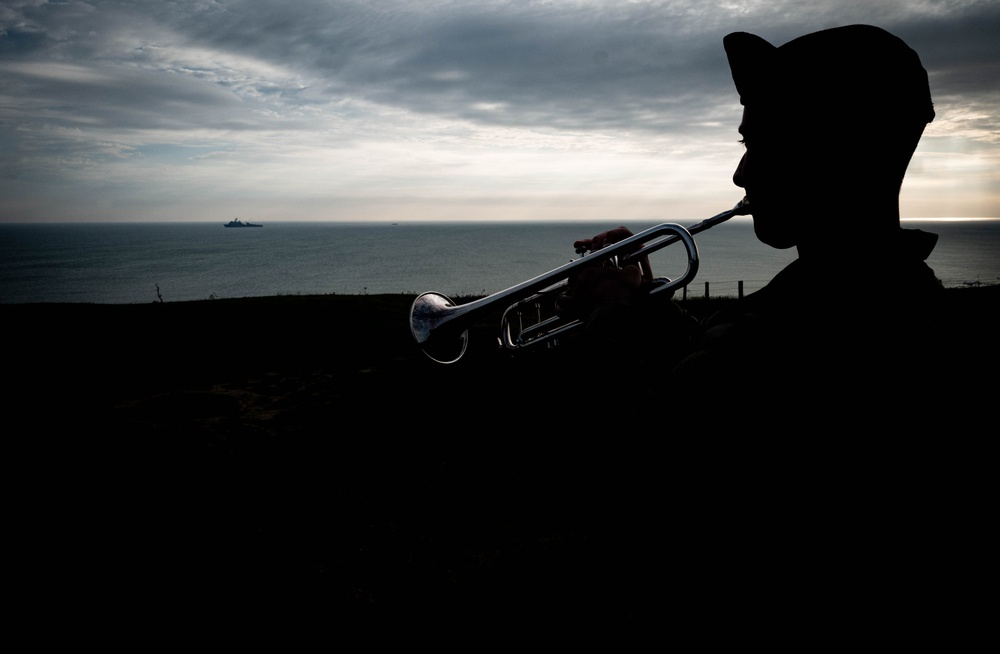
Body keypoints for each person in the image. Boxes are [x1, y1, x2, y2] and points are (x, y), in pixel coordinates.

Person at [565, 24, 947, 420]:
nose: (739, 174)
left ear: (826, 152)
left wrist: (606, 318)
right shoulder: (892, 292)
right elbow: (708, 353)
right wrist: (645, 308)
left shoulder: (785, 344)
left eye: (756, 144)